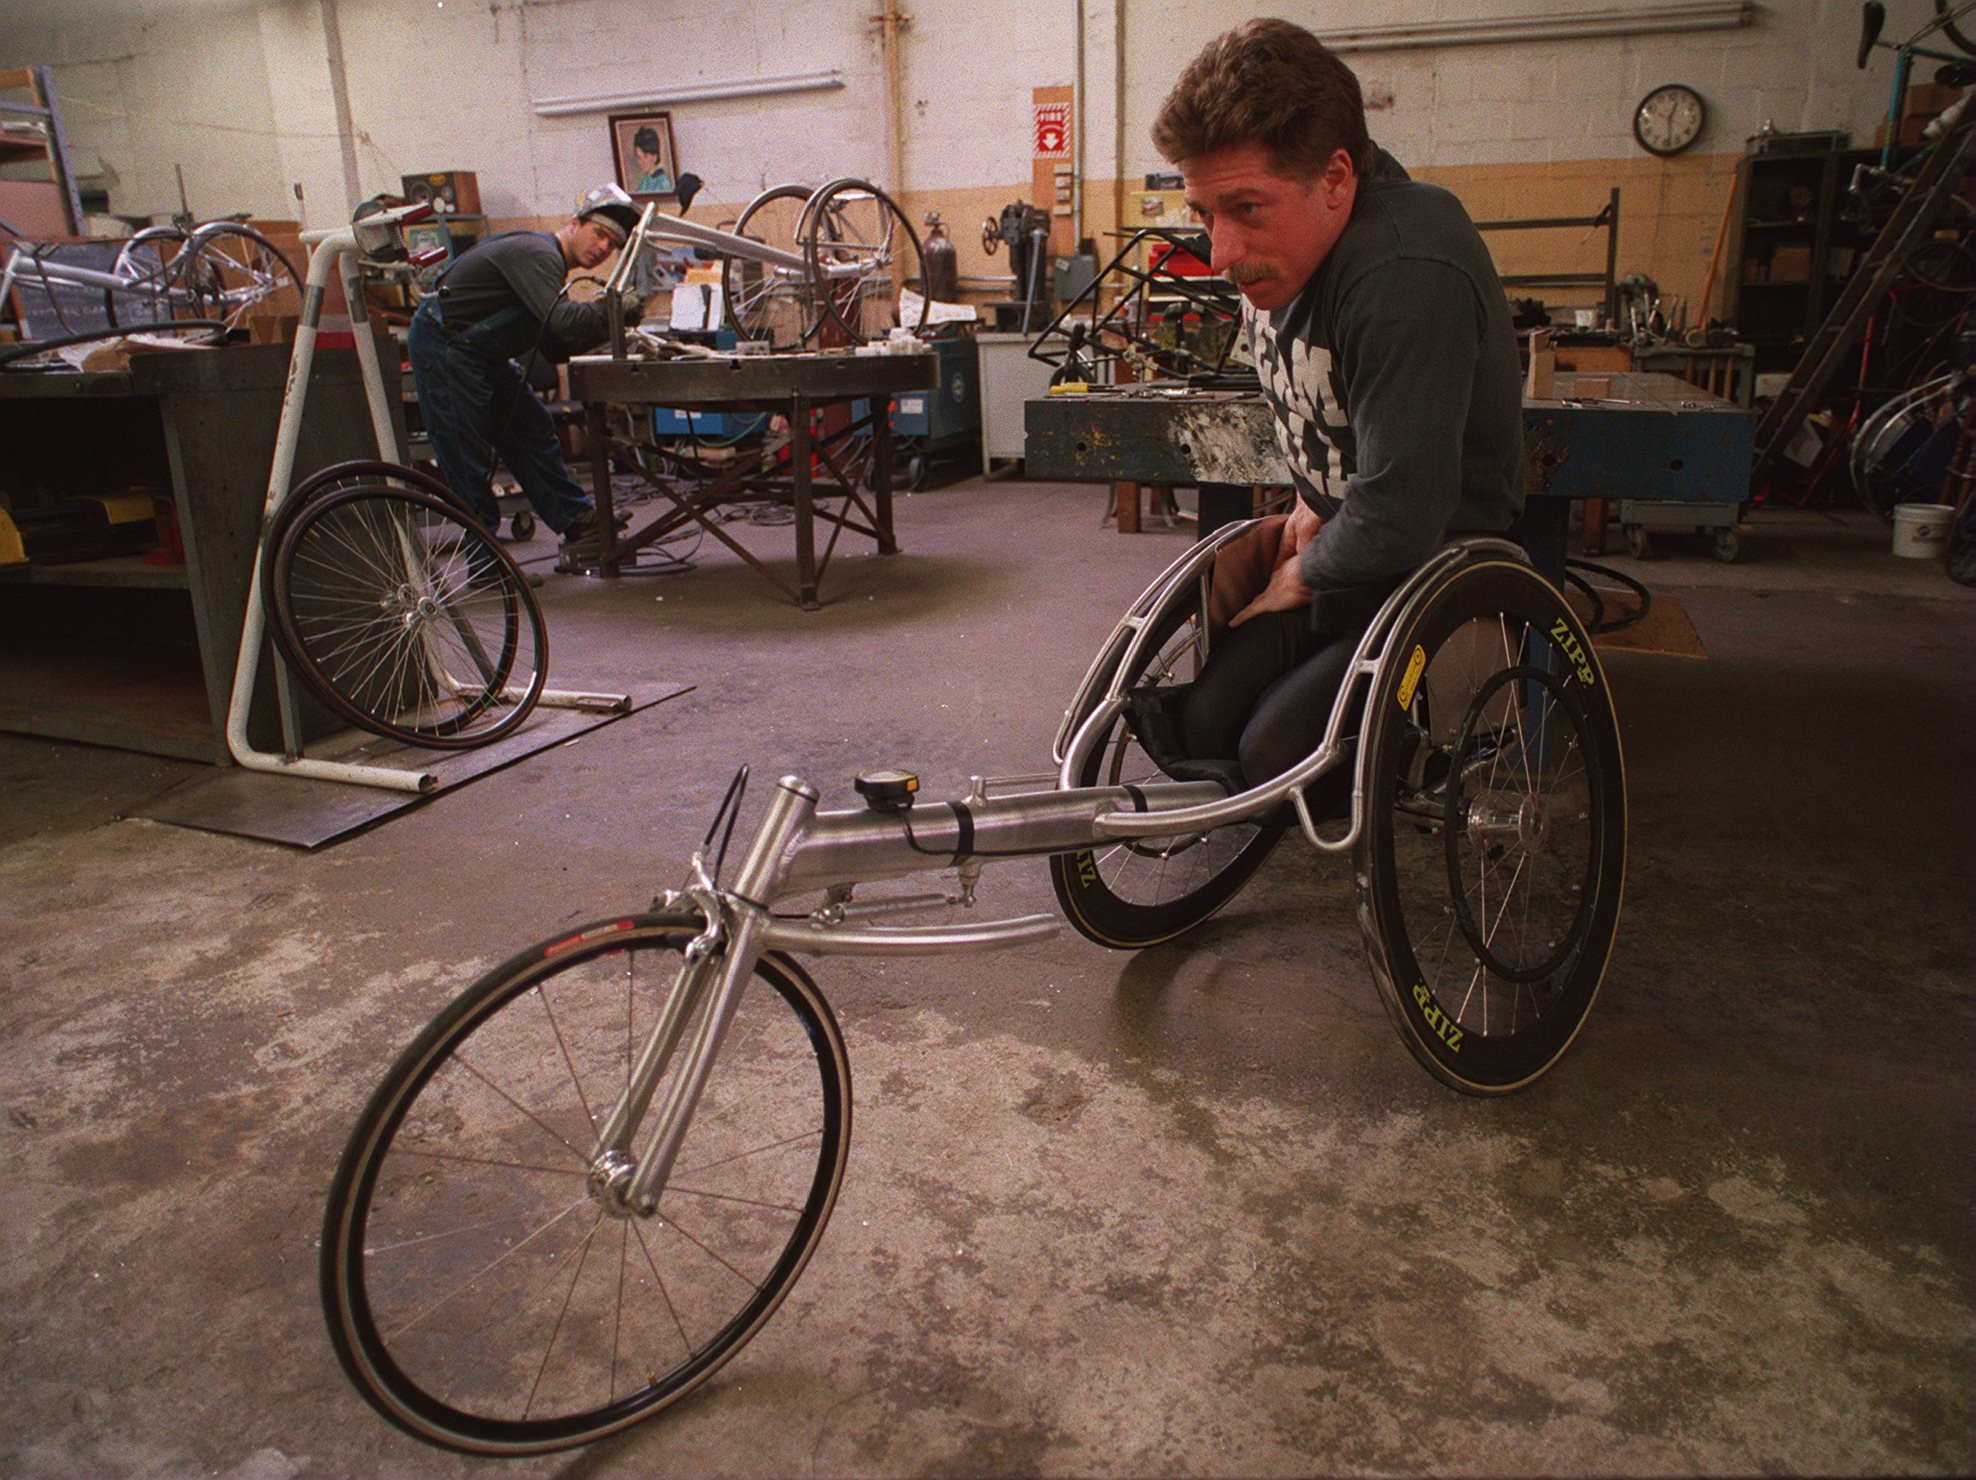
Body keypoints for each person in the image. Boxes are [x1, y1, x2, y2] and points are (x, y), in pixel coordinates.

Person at [1147, 18, 1525, 803]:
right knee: (1205, 726)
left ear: (1337, 179)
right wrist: (1306, 511)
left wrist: (1301, 574)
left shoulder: (1402, 267)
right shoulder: (1278, 258)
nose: (1218, 253)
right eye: (1203, 213)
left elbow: (1405, 509)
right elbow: (1320, 410)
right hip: (1345, 551)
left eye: (1246, 208)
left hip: (1430, 566)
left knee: (1274, 752)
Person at [407, 183, 645, 561]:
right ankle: (486, 566)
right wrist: (610, 309)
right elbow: (565, 323)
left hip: (480, 354)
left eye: (612, 244)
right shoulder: (538, 254)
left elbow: (553, 344)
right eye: (598, 233)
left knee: (530, 429)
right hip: (445, 346)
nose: (602, 248)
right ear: (574, 224)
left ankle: (577, 521)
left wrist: (609, 321)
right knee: (467, 458)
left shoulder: (551, 270)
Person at [629, 126, 673, 195]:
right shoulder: (643, 183)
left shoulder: (663, 182)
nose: (641, 162)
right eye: (639, 157)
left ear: (655, 157)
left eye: (645, 156)